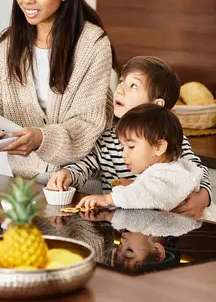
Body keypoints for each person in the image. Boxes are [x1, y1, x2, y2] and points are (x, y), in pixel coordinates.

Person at [0, 0, 115, 179]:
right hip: (26, 181)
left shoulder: (93, 43)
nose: (27, 0)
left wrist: (42, 138)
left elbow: (88, 122)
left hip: (81, 180)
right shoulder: (9, 44)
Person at [46, 56, 212, 218]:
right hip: (121, 228)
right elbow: (84, 165)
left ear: (155, 105)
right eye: (121, 81)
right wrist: (67, 174)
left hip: (165, 231)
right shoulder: (106, 139)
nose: (120, 90)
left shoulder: (173, 138)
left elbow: (196, 169)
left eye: (133, 85)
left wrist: (204, 196)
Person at [77, 104, 216, 220]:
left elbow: (148, 195)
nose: (124, 153)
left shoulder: (170, 173)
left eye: (131, 146)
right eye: (122, 147)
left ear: (159, 147)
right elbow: (154, 192)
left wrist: (107, 199)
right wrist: (133, 184)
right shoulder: (165, 171)